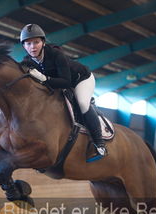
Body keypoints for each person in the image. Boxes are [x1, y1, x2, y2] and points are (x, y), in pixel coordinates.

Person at [20, 23, 107, 158]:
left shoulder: (56, 54)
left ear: (43, 42)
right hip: (58, 84)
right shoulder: (27, 62)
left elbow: (65, 82)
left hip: (81, 79)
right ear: (23, 46)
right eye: (28, 43)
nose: (32, 47)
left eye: (36, 42)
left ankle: (99, 143)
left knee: (83, 103)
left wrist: (44, 78)